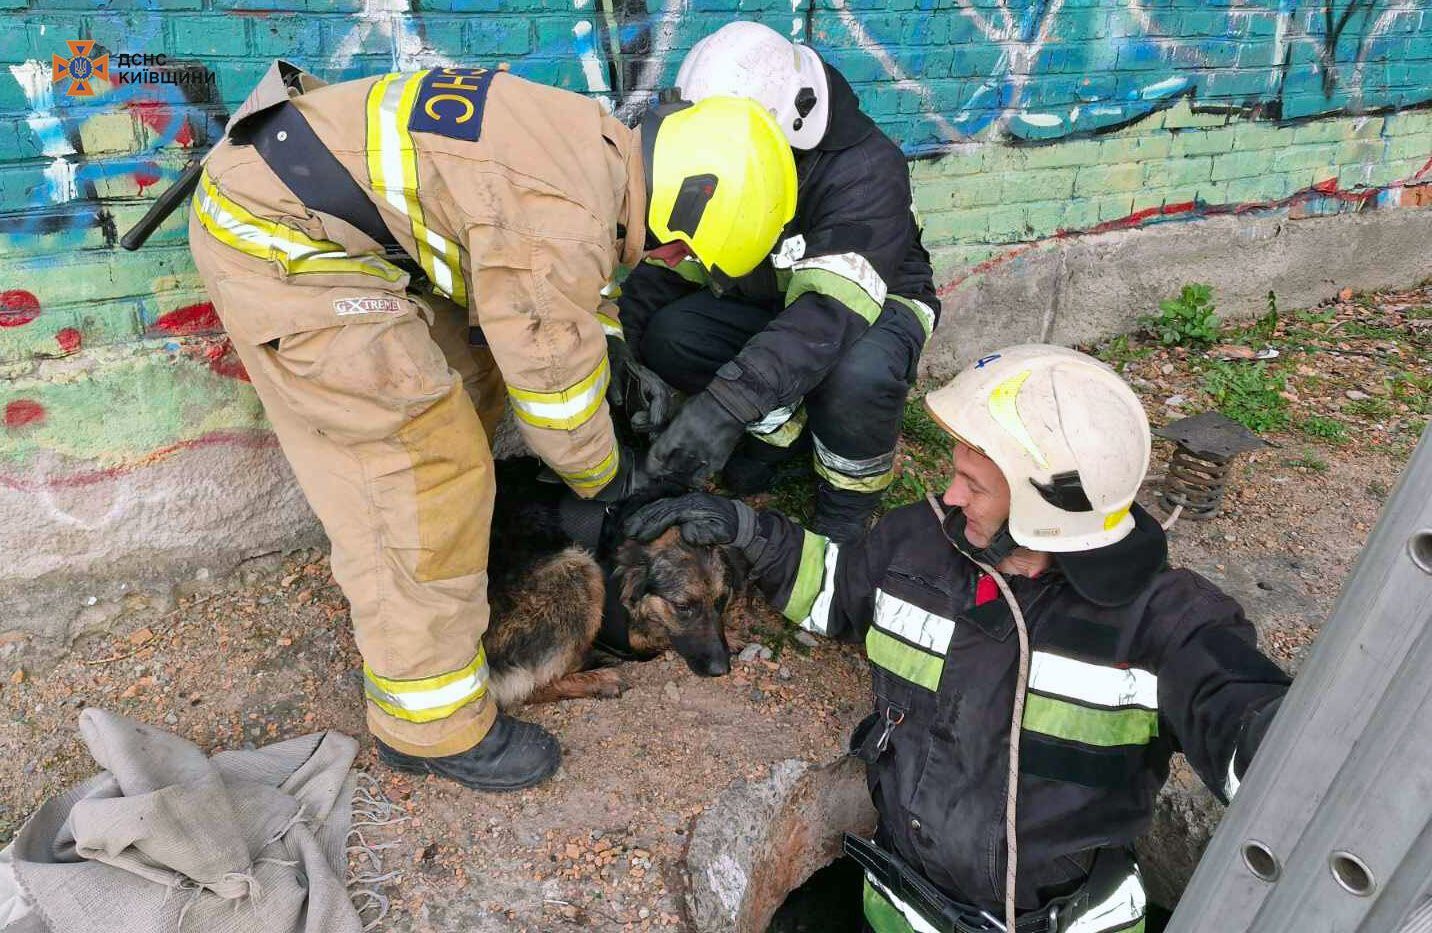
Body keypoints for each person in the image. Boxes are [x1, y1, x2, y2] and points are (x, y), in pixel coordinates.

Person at [188, 59, 796, 791]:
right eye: (686, 251)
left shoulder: (592, 149)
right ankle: (428, 726)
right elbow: (555, 397)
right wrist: (615, 477)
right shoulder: (561, 218)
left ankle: (436, 592)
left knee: (472, 385)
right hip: (281, 243)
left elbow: (543, 296)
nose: (673, 262)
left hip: (304, 202)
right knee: (429, 465)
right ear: (681, 214)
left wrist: (618, 374)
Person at [625, 345, 1291, 932]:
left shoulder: (1167, 621)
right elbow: (834, 590)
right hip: (900, 909)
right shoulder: (921, 544)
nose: (948, 493)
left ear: (1045, 504)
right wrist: (744, 528)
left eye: (974, 484)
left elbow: (1260, 728)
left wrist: (1273, 734)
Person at [619, 21, 941, 544]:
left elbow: (828, 314)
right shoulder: (722, 159)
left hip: (873, 305)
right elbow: (672, 264)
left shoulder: (865, 169)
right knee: (672, 332)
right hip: (776, 301)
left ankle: (847, 506)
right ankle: (780, 435)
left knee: (858, 373)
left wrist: (723, 408)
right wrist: (624, 356)